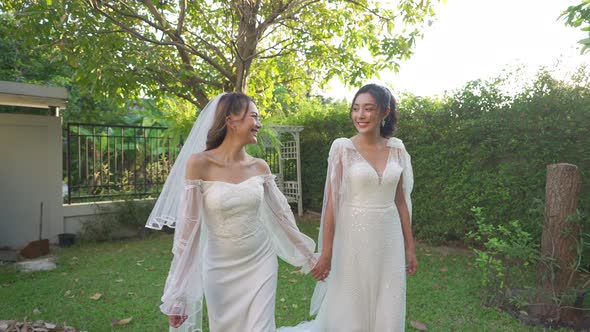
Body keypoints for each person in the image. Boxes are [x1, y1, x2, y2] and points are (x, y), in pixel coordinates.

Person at [146, 92, 317, 332]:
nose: (258, 124)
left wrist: (309, 257)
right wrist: (178, 294)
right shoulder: (199, 164)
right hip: (219, 268)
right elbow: (189, 232)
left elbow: (283, 217)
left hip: (261, 261)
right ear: (231, 120)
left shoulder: (259, 167)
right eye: (254, 117)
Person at [280, 83, 417, 332]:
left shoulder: (397, 149)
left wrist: (410, 247)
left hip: (389, 236)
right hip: (353, 236)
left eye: (368, 109)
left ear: (384, 113)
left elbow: (400, 201)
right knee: (352, 299)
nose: (360, 115)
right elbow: (332, 204)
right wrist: (327, 253)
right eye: (356, 109)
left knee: (389, 295)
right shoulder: (343, 148)